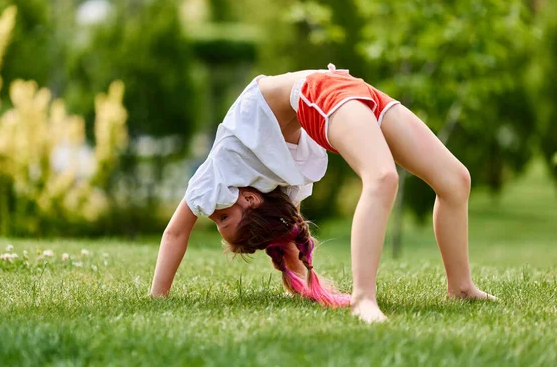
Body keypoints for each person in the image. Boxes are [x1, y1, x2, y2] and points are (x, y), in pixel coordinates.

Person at [150, 64, 495, 323]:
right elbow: (290, 245)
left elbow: (176, 231)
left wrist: (157, 297)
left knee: (455, 180)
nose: (216, 211)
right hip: (327, 94)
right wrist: (299, 277)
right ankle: (364, 300)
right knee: (382, 177)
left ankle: (461, 286)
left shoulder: (220, 172)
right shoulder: (279, 179)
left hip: (336, 88)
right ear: (252, 202)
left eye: (220, 219)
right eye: (224, 217)